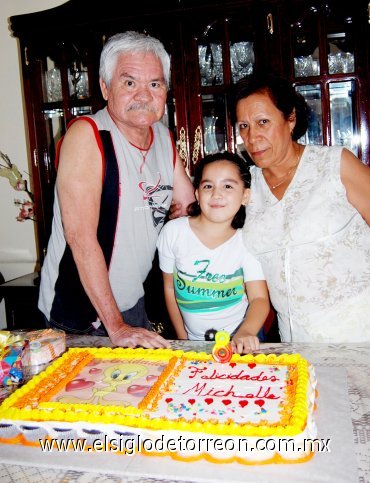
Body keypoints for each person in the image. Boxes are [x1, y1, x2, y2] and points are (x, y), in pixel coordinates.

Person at [38, 31, 195, 348]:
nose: (144, 95)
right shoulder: (88, 135)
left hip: (131, 302)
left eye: (155, 84)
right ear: (105, 87)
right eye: (129, 83)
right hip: (83, 315)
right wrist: (117, 327)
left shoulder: (162, 137)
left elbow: (189, 206)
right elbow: (80, 237)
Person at [234, 72, 370, 343]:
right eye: (244, 126)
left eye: (263, 122)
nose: (252, 137)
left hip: (361, 331)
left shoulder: (335, 164)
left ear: (291, 119)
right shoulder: (245, 184)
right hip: (297, 341)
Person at [157, 152, 270, 354]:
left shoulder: (248, 240)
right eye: (208, 186)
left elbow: (259, 299)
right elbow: (170, 289)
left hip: (241, 340)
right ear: (198, 194)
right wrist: (183, 340)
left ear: (245, 195)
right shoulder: (173, 233)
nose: (216, 194)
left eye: (228, 186)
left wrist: (245, 332)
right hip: (193, 342)